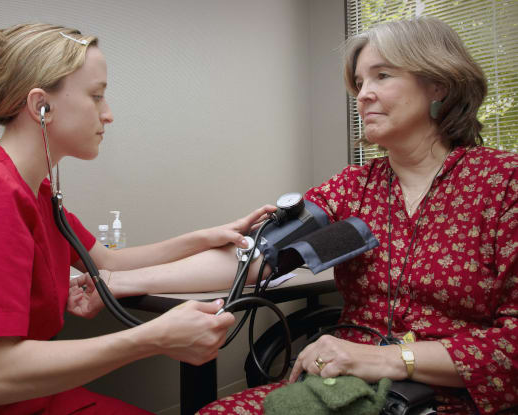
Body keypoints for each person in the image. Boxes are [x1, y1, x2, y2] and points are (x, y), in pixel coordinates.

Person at [0, 23, 276, 414]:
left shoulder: (30, 189)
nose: (108, 115)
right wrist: (154, 337)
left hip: (29, 399)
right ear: (40, 106)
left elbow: (109, 262)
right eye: (96, 97)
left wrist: (207, 235)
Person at [198, 16, 517, 415]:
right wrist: (113, 280)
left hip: (455, 397)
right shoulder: (354, 186)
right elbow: (258, 258)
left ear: (440, 84)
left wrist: (386, 359)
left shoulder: (504, 183)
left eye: (382, 76)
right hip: (343, 389)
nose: (363, 95)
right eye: (360, 83)